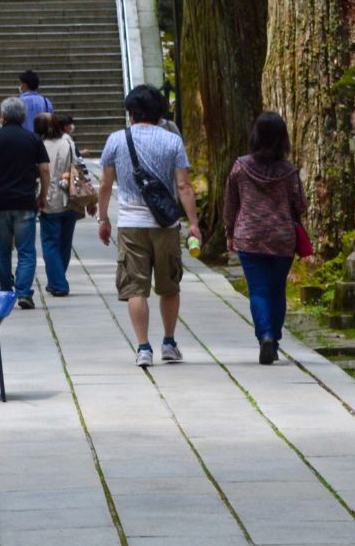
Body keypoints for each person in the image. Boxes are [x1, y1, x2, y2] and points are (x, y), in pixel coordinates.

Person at [98, 84, 201, 367]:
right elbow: (183, 185)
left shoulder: (116, 140)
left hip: (130, 224)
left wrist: (103, 218)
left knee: (135, 288)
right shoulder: (172, 141)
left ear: (131, 112)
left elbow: (106, 184)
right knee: (169, 285)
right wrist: (193, 223)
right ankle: (169, 342)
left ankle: (143, 347)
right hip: (165, 224)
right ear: (160, 113)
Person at [224, 111, 308, 365]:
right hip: (282, 237)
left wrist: (229, 233)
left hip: (249, 236)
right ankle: (275, 337)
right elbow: (301, 205)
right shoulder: (289, 171)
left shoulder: (240, 166)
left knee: (258, 291)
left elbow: (231, 203)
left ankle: (266, 336)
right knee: (277, 290)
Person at [0, 96, 50, 309]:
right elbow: (44, 169)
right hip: (25, 200)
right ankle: (24, 292)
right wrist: (43, 194)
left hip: (0, 201)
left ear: (4, 116)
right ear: (23, 117)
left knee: (2, 250)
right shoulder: (32, 139)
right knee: (26, 250)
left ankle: (5, 291)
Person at [35, 112, 82, 297]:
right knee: (65, 242)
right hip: (69, 195)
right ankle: (58, 278)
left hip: (49, 197)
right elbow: (78, 166)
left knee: (50, 242)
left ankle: (58, 282)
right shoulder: (68, 143)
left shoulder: (39, 145)